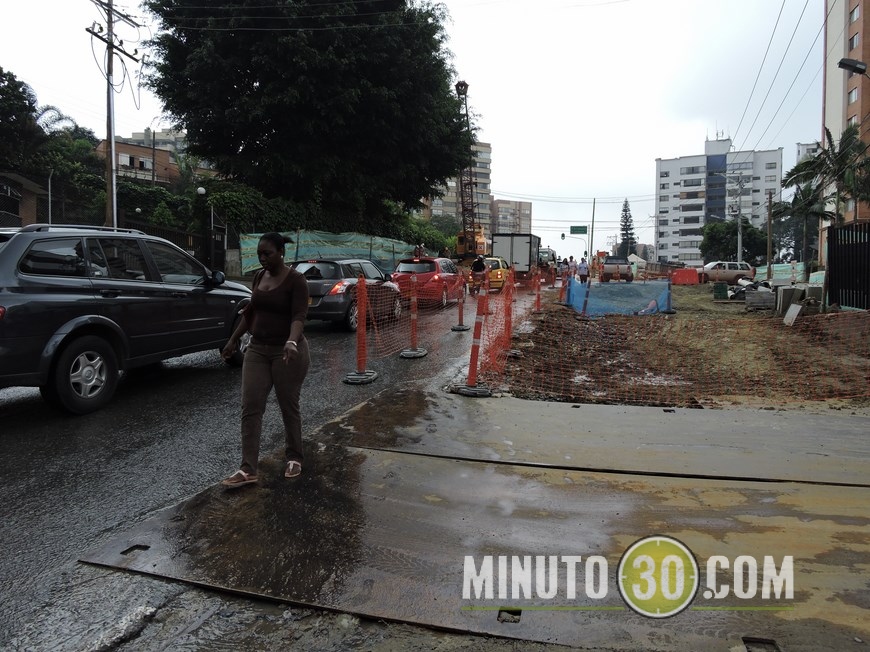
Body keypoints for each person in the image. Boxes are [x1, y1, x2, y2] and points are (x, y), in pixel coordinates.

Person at [220, 232, 311, 488]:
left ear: (281, 252)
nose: (262, 258)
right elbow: (251, 312)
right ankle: (248, 468)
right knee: (251, 407)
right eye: (259, 254)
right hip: (257, 350)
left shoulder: (296, 280)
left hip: (287, 352)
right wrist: (233, 340)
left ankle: (295, 457)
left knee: (288, 404)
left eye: (267, 254)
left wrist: (292, 341)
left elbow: (299, 316)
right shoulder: (259, 276)